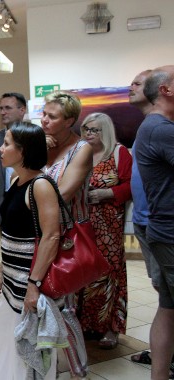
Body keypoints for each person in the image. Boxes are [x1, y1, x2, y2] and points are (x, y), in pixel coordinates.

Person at [0, 121, 62, 380]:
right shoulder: (16, 179)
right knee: (9, 347)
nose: (0, 148)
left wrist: (34, 285)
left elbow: (51, 236)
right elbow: (13, 233)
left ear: (23, 151)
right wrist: (1, 271)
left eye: (7, 143)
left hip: (29, 285)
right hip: (12, 282)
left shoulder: (41, 185)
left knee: (28, 353)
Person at [41, 91, 93, 379]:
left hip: (67, 236)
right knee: (41, 302)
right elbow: (17, 176)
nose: (44, 120)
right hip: (41, 233)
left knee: (66, 307)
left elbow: (64, 193)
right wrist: (37, 148)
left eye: (52, 116)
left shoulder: (81, 149)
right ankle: (49, 367)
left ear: (70, 120)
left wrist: (29, 198)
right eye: (44, 114)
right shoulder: (43, 144)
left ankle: (78, 370)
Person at [78, 112, 132, 349]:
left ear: (106, 131)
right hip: (83, 225)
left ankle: (111, 327)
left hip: (109, 226)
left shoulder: (118, 153)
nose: (89, 134)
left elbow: (132, 186)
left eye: (94, 130)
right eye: (86, 129)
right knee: (84, 273)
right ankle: (86, 323)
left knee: (110, 274)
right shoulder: (80, 153)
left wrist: (108, 193)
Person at [134, 65, 174, 380]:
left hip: (164, 232)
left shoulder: (154, 126)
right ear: (166, 90)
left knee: (168, 307)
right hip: (171, 234)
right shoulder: (161, 129)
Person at [0, 92, 28, 226]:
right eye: (1, 108)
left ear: (22, 110)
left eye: (8, 108)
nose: (3, 112)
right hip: (3, 198)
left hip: (28, 194)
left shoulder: (35, 136)